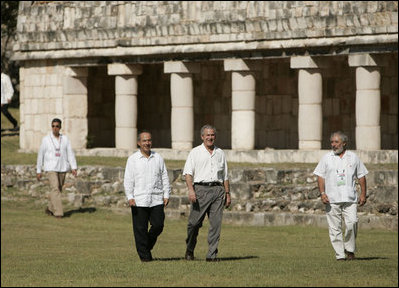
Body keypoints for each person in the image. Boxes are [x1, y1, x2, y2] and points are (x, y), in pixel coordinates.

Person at [313, 131, 368, 261]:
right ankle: (340, 255)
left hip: (350, 198)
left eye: (336, 142)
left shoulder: (353, 157)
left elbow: (361, 176)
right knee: (334, 228)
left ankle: (349, 249)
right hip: (331, 199)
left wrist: (363, 194)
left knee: (352, 223)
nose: (333, 145)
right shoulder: (326, 158)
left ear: (344, 143)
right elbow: (320, 176)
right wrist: (322, 193)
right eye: (332, 142)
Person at [183, 124, 231, 262]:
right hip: (200, 190)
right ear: (202, 137)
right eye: (207, 135)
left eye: (212, 135)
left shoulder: (220, 153)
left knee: (215, 225)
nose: (210, 138)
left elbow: (225, 176)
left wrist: (227, 193)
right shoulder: (195, 152)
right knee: (194, 224)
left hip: (218, 190)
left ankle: (211, 255)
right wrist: (191, 190)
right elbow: (188, 173)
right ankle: (190, 249)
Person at [123, 131, 170, 262]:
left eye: (149, 140)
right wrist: (130, 196)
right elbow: (128, 180)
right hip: (139, 199)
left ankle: (146, 246)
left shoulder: (158, 158)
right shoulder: (132, 160)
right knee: (140, 229)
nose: (147, 143)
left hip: (156, 198)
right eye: (144, 141)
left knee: (158, 225)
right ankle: (145, 257)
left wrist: (166, 194)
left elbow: (164, 176)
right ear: (139, 143)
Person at [36, 118, 77, 218]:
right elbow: (40, 155)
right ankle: (59, 213)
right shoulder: (46, 139)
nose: (55, 128)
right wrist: (39, 170)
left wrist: (74, 167)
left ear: (60, 127)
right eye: (53, 126)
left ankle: (50, 208)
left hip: (62, 167)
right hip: (51, 168)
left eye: (57, 126)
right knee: (55, 188)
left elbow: (70, 153)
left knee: (58, 189)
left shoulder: (65, 139)